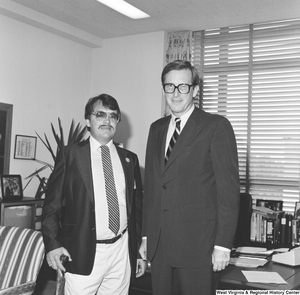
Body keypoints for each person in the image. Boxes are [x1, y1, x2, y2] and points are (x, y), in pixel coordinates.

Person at [139, 60, 240, 295]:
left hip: (199, 247)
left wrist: (223, 244)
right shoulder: (156, 128)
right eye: (169, 86)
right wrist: (146, 236)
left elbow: (228, 192)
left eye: (183, 86)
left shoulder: (216, 126)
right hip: (160, 246)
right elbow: (153, 190)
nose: (175, 94)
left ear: (195, 90)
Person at [42, 94, 147, 295]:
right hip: (81, 251)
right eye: (100, 114)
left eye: (113, 116)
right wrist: (53, 245)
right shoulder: (70, 154)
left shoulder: (129, 160)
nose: (107, 121)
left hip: (121, 252)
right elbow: (51, 205)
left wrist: (137, 253)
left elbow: (136, 210)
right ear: (87, 121)